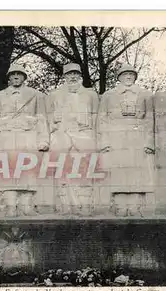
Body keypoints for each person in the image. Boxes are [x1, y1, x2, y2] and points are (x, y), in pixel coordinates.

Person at [0, 63, 50, 217]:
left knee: (28, 170)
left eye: (19, 74)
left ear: (24, 77)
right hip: (6, 136)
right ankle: (10, 205)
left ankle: (26, 205)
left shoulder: (35, 95)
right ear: (8, 78)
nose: (16, 77)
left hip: (28, 136)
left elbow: (42, 118)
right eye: (13, 74)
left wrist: (44, 140)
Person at [97, 63, 155, 216]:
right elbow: (102, 119)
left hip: (138, 137)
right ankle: (120, 205)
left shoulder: (145, 95)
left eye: (131, 74)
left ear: (135, 77)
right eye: (125, 74)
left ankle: (135, 205)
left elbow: (150, 119)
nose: (128, 77)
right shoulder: (108, 95)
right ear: (119, 77)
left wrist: (149, 142)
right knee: (118, 171)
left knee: (137, 172)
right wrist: (104, 142)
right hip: (116, 138)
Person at [46, 63, 99, 216]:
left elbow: (96, 118)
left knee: (83, 172)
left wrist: (93, 136)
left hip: (83, 137)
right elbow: (46, 117)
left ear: (80, 75)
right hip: (62, 137)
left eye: (76, 73)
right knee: (63, 173)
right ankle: (65, 206)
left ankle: (84, 206)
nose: (73, 77)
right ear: (65, 77)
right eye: (69, 74)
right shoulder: (54, 94)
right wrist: (53, 121)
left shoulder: (91, 95)